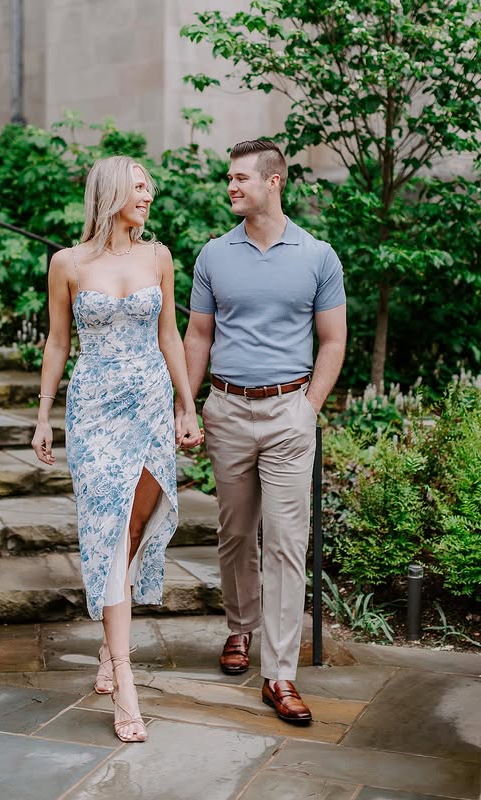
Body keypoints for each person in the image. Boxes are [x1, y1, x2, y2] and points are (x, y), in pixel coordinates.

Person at [32, 155, 202, 743]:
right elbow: (58, 342)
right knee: (106, 530)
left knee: (134, 525)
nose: (148, 196)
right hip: (95, 409)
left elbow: (169, 334)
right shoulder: (68, 263)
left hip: (151, 405)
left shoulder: (158, 256)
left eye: (150, 189)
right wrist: (42, 415)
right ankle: (125, 675)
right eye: (139, 188)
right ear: (110, 194)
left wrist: (186, 404)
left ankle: (111, 643)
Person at [181, 139, 346, 724]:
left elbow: (332, 341)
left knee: (284, 541)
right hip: (226, 409)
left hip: (287, 415)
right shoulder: (213, 255)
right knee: (235, 533)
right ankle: (239, 628)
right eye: (229, 177)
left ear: (273, 182)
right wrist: (187, 403)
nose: (231, 186)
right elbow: (197, 336)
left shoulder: (318, 255)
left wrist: (309, 407)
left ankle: (279, 674)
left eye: (240, 178)